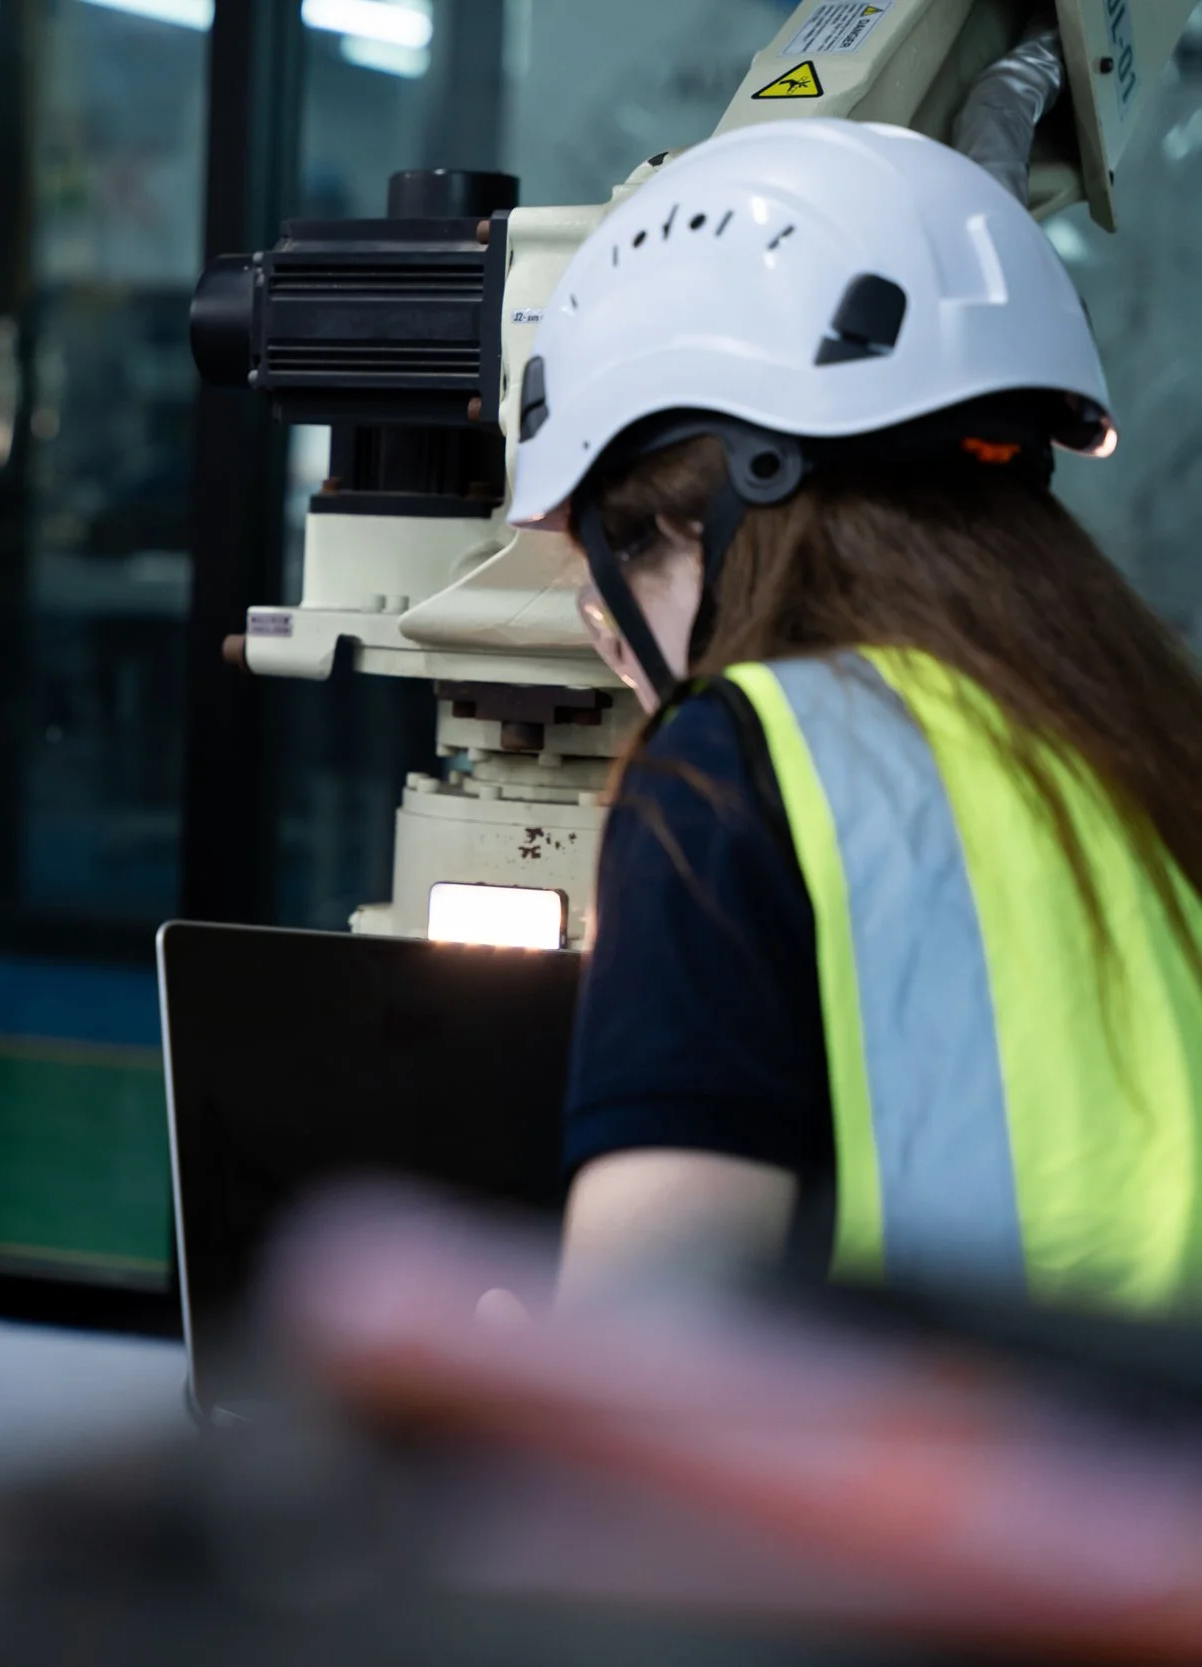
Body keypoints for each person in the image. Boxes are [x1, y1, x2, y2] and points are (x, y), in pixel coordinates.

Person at [504, 119, 1202, 1312]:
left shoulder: (736, 766)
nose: (609, 634)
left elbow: (634, 1355)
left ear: (686, 524)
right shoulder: (1148, 731)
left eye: (607, 568)